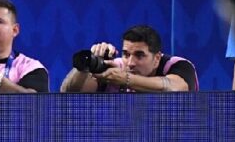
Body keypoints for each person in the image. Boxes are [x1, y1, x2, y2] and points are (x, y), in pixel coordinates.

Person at [60, 25, 199, 93]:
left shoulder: (176, 65)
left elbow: (176, 87)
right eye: (126, 54)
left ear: (156, 58)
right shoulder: (114, 68)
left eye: (139, 55)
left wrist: (125, 79)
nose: (131, 63)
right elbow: (69, 92)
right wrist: (86, 66)